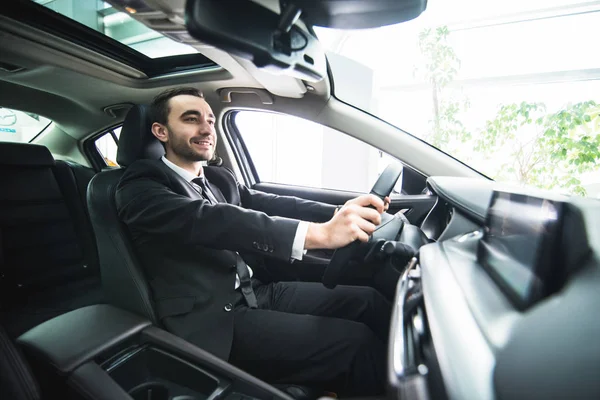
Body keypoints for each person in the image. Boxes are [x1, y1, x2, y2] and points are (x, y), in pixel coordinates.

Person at [116, 87, 392, 396]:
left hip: (257, 291)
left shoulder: (218, 178)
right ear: (160, 131)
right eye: (191, 120)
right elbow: (211, 220)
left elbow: (275, 203)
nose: (207, 128)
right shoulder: (139, 187)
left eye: (209, 119)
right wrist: (320, 234)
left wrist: (342, 213)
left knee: (368, 300)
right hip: (215, 318)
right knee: (355, 343)